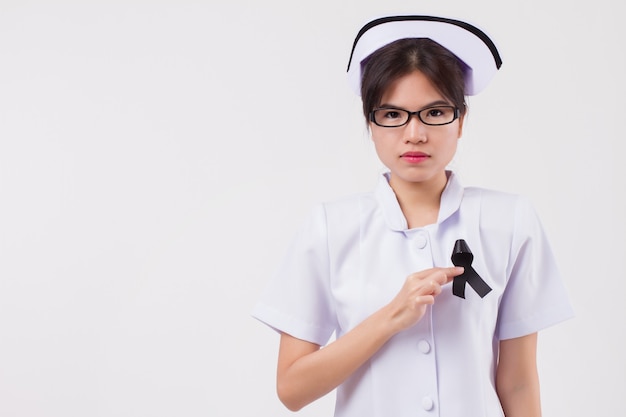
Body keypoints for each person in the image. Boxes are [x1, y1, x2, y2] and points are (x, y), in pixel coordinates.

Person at [252, 15, 574, 417]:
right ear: (371, 123)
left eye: (435, 113)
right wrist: (390, 317)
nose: (414, 134)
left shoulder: (509, 221)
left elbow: (519, 381)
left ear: (461, 121)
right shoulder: (330, 228)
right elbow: (292, 389)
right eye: (392, 115)